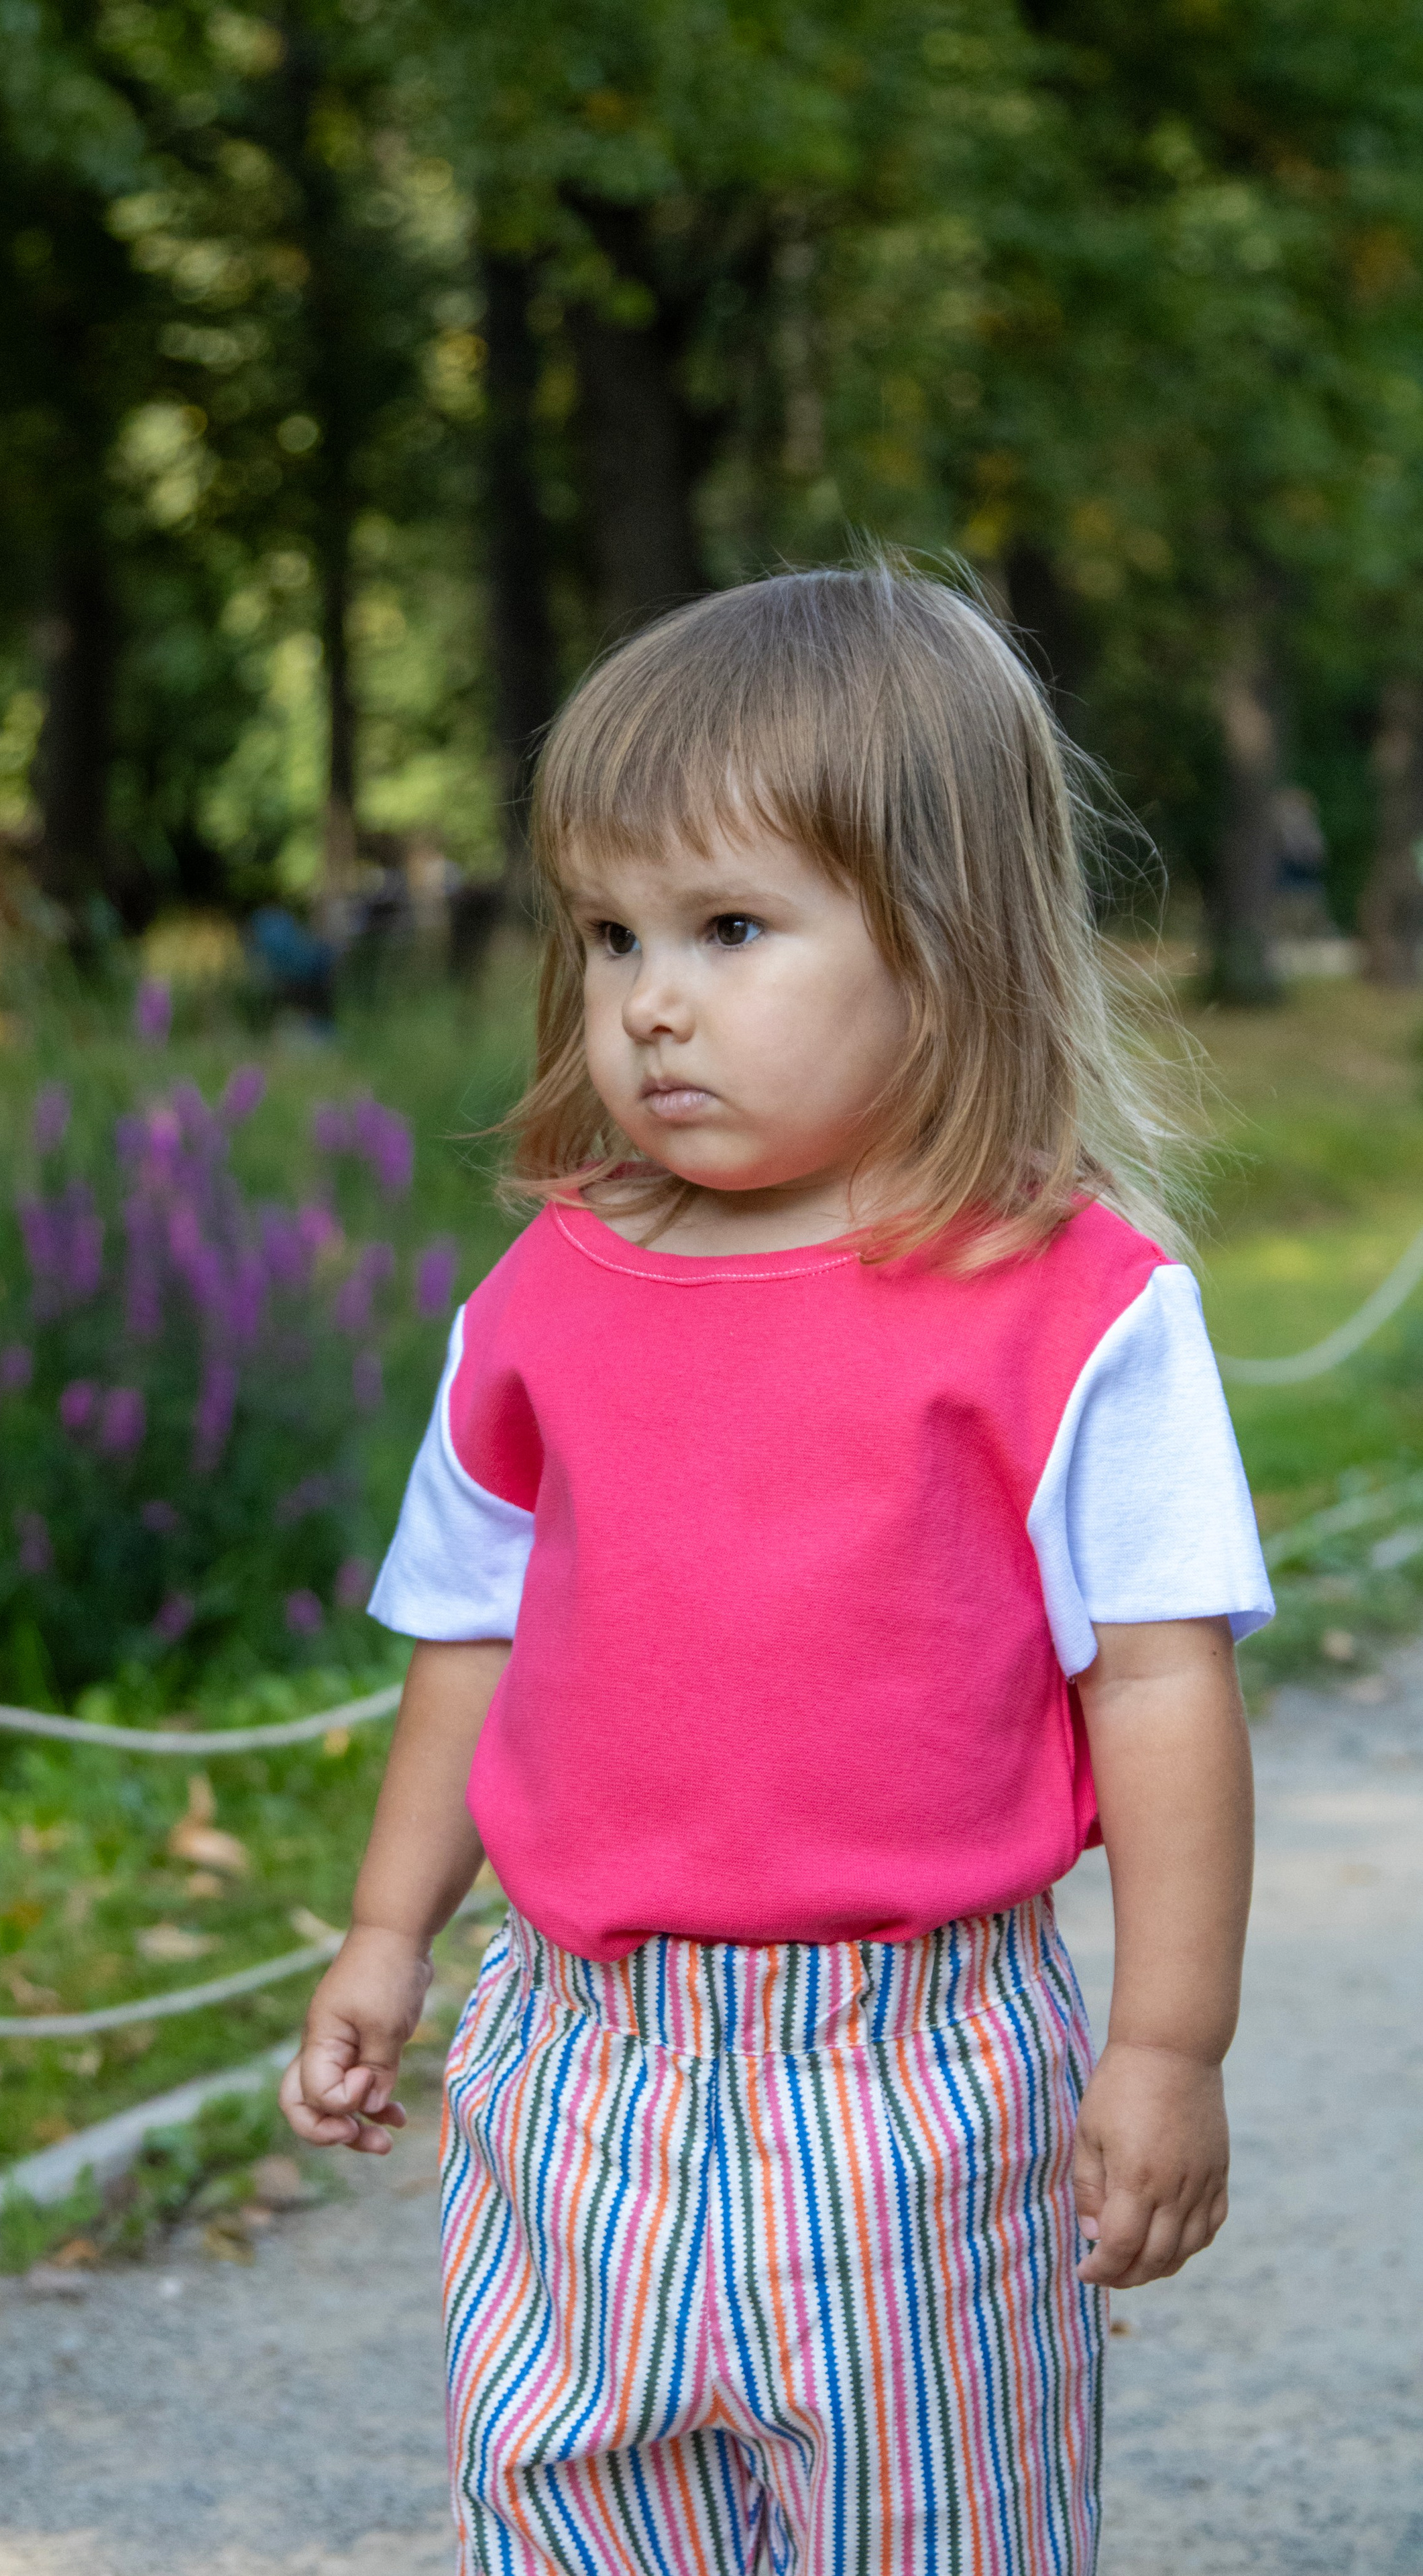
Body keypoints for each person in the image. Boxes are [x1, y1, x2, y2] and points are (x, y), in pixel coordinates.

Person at [281, 567, 1271, 2575]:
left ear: (949, 941)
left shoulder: (1075, 1312)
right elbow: (470, 1628)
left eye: (733, 929)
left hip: (907, 2091)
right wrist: (391, 1932)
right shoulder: (545, 1297)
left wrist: (1169, 2046)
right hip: (575, 2068)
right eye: (612, 935)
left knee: (931, 2529)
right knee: (567, 2509)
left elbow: (1160, 1684)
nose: (651, 998)